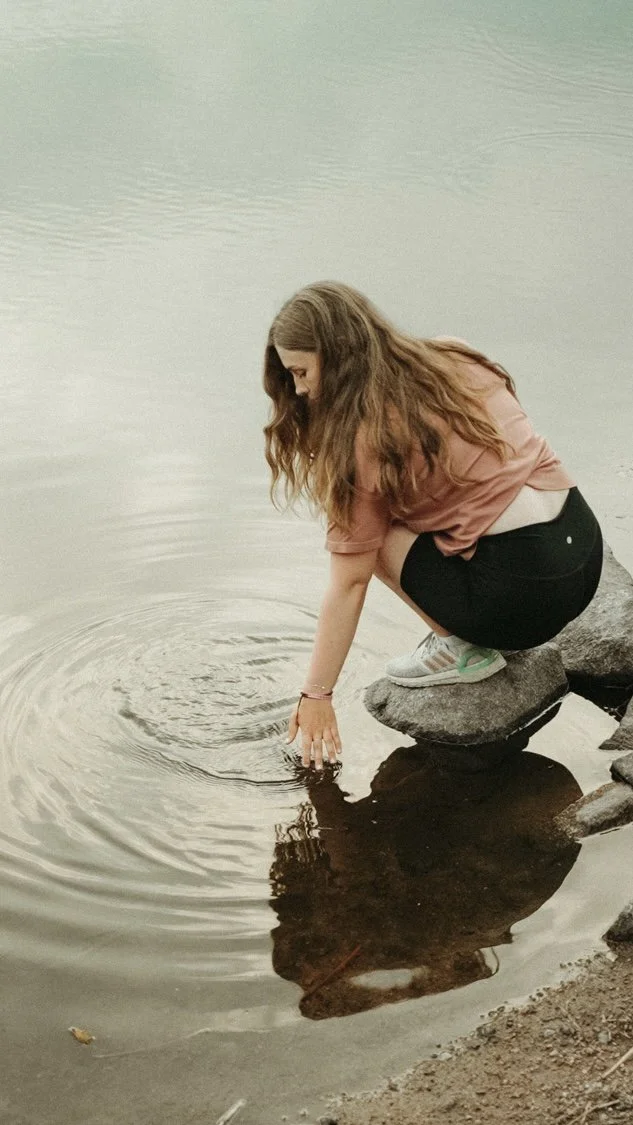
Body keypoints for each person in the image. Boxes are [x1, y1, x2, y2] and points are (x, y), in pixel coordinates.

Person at [263, 282, 603, 770]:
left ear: (337, 357)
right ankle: (468, 610)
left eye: (300, 372)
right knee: (406, 497)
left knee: (366, 539)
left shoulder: (365, 437)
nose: (298, 389)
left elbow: (349, 583)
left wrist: (316, 694)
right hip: (584, 556)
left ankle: (463, 651)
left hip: (525, 600)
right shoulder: (452, 355)